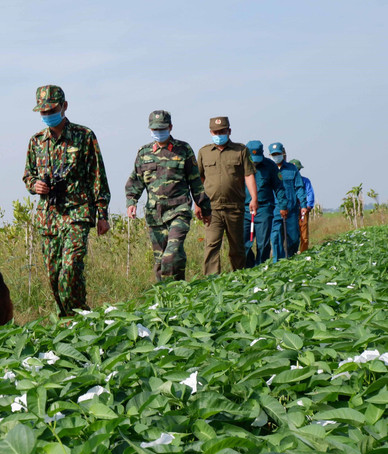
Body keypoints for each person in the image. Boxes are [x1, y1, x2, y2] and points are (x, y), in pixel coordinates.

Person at [23, 85, 111, 317]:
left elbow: (97, 177)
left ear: (64, 106)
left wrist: (102, 215)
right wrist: (35, 185)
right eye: (42, 112)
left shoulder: (84, 136)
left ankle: (78, 316)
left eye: (51, 109)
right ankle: (71, 318)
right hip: (48, 216)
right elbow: (27, 175)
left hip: (77, 213)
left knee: (70, 269)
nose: (47, 115)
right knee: (54, 274)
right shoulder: (36, 141)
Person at [125, 110, 211, 282]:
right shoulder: (144, 153)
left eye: (162, 128)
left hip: (178, 210)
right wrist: (131, 202)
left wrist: (204, 208)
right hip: (155, 214)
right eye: (155, 129)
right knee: (160, 261)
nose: (158, 132)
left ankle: (175, 291)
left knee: (170, 255)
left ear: (170, 127)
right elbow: (135, 181)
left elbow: (195, 181)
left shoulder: (183, 149)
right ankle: (169, 297)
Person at [195, 116, 258, 275]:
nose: (219, 134)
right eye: (216, 131)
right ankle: (212, 282)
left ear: (229, 131)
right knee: (211, 246)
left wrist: (254, 198)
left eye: (222, 131)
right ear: (210, 132)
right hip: (212, 208)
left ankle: (239, 278)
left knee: (237, 246)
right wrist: (197, 203)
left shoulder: (241, 150)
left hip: (234, 207)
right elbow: (199, 180)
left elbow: (248, 175)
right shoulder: (204, 152)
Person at [243, 141, 286, 267]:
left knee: (263, 243)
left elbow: (279, 187)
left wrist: (283, 206)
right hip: (244, 209)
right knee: (243, 244)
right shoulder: (240, 165)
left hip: (264, 208)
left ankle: (261, 268)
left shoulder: (270, 166)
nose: (256, 162)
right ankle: (248, 268)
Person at [268, 143, 307, 261]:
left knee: (294, 238)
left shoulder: (292, 168)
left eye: (278, 154)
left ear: (283, 153)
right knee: (275, 237)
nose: (276, 156)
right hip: (274, 209)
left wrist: (303, 205)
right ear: (270, 155)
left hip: (291, 210)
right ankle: (277, 262)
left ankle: (291, 258)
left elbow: (299, 187)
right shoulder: (268, 169)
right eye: (274, 154)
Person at [290, 159, 315, 252]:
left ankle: (304, 252)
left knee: (303, 233)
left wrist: (308, 206)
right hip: (290, 210)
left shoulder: (305, 181)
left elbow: (310, 193)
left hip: (302, 210)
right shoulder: (287, 181)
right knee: (291, 233)